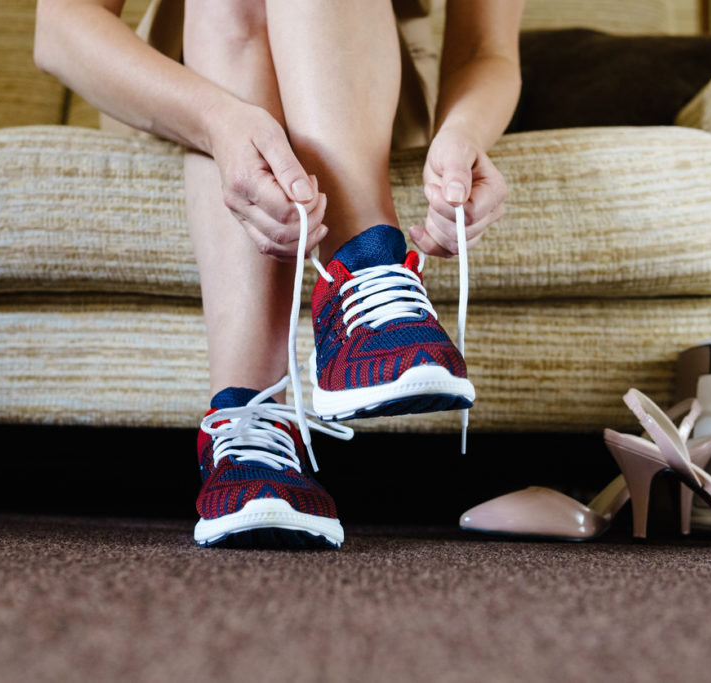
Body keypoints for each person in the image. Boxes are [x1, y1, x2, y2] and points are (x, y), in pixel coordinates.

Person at [34, 0, 522, 548]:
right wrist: (219, 121)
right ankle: (359, 277)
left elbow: (485, 49)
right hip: (182, 84)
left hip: (359, 79)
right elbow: (58, 29)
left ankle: (246, 422)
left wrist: (464, 134)